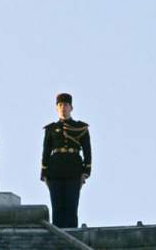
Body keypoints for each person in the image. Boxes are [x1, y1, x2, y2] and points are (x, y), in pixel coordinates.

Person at [41, 92, 91, 228]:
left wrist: (86, 171)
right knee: (57, 207)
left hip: (74, 170)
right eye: (60, 105)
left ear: (71, 108)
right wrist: (44, 173)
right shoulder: (51, 129)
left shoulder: (81, 127)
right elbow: (46, 151)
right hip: (55, 171)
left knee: (71, 206)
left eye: (66, 105)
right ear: (57, 108)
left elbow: (87, 151)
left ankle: (71, 235)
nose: (63, 107)